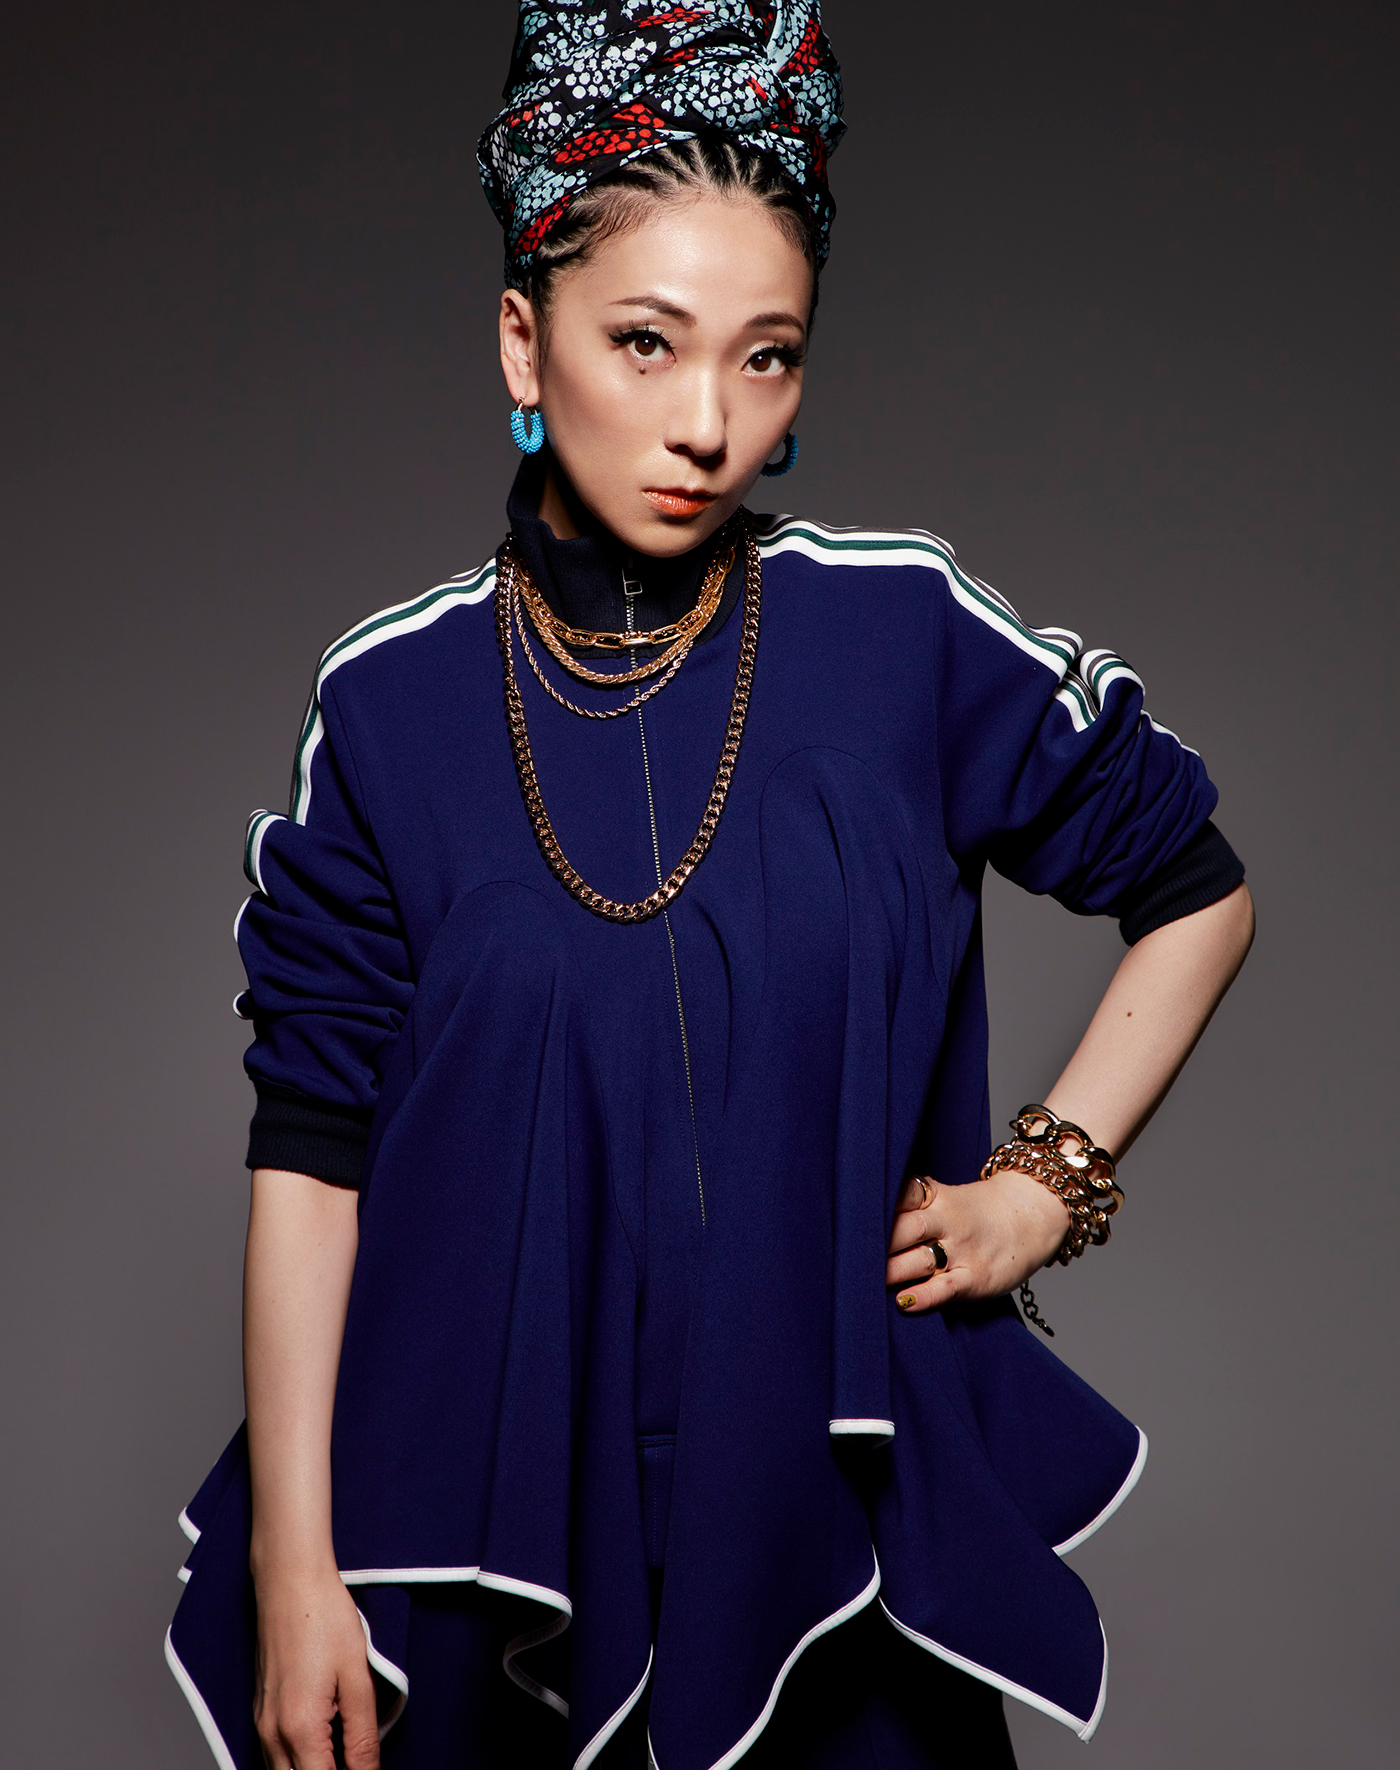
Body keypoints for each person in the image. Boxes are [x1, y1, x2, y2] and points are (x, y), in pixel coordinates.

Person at [165, 5, 1255, 1767]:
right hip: (490, 1547)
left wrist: (1042, 1186)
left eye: (767, 358)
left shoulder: (896, 632)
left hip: (835, 1537)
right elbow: (311, 1151)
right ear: (523, 343)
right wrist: (297, 1565)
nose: (706, 423)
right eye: (646, 342)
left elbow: (1196, 886)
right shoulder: (388, 703)